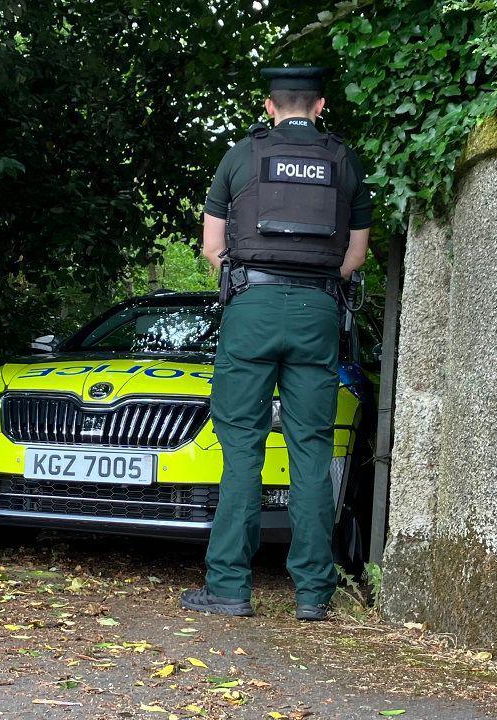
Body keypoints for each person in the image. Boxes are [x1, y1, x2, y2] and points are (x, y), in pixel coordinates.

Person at [180, 67, 372, 621]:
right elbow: (354, 255)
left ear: (269, 106)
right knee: (311, 447)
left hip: (252, 308)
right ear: (319, 106)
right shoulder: (344, 161)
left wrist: (251, 281)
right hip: (317, 311)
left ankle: (228, 589)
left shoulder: (241, 157)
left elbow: (212, 247)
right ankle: (314, 595)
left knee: (241, 446)